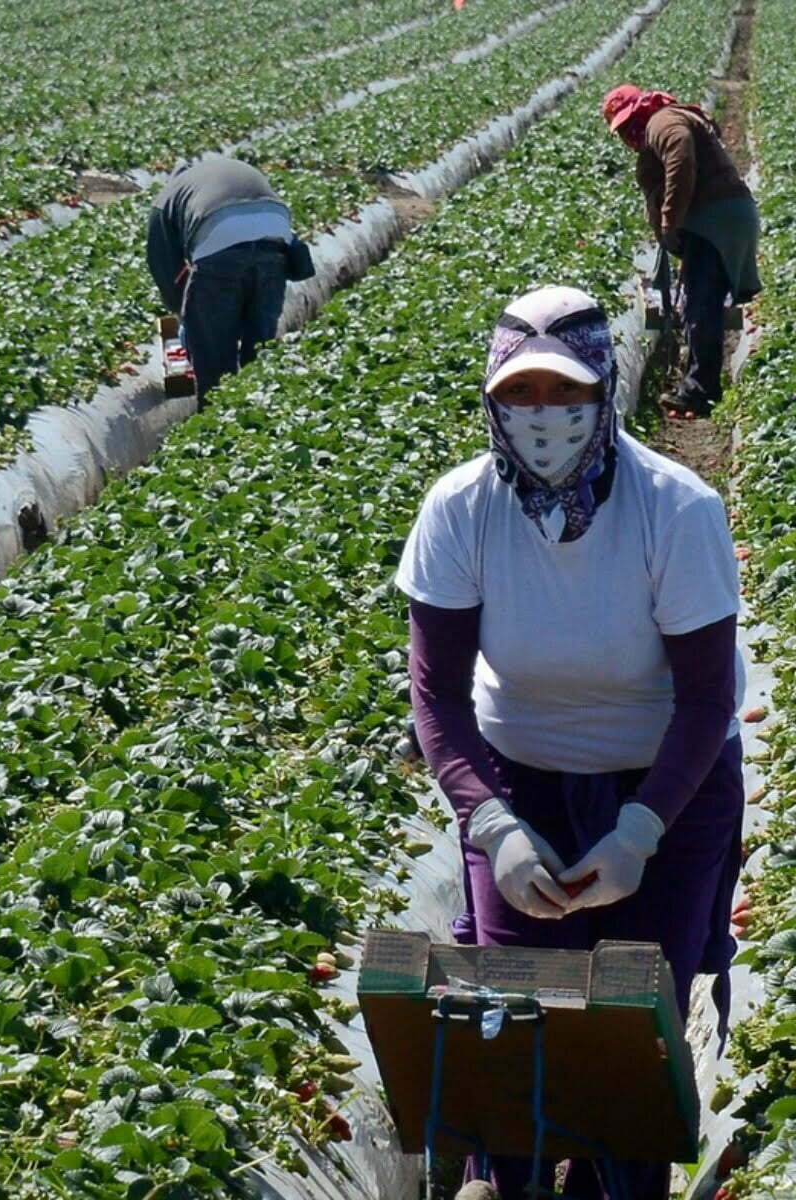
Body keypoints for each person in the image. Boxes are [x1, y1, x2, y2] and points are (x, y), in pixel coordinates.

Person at [395, 286, 745, 1199]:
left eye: (565, 395)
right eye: (522, 396)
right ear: (492, 399)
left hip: (668, 780)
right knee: (507, 1019)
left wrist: (638, 835)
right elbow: (436, 696)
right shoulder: (460, 509)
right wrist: (494, 829)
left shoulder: (677, 509)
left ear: (604, 391)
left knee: (630, 1028)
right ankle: (501, 1181)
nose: (543, 417)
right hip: (520, 776)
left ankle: (617, 1184)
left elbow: (709, 700)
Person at [601, 84, 760, 416]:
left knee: (702, 305)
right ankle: (698, 384)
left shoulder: (663, 121)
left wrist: (669, 221)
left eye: (627, 124)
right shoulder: (662, 123)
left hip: (716, 219)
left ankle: (700, 392)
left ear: (639, 111)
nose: (627, 135)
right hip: (717, 218)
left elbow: (681, 157)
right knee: (699, 304)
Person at [146, 155, 312, 406]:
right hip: (275, 235)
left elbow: (164, 266)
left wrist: (186, 315)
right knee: (260, 342)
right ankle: (261, 413)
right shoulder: (223, 173)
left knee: (214, 351)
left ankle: (218, 419)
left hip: (220, 239)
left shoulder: (168, 197)